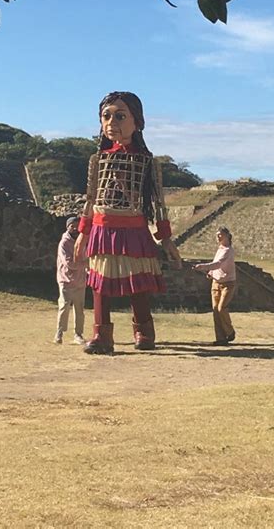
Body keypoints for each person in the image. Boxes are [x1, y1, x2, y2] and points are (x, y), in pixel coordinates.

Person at [74, 91, 181, 354]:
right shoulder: (97, 160)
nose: (112, 122)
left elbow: (158, 203)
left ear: (137, 121)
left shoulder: (147, 162)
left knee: (138, 283)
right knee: (100, 284)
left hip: (134, 228)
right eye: (106, 116)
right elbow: (90, 199)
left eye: (120, 116)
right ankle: (101, 334)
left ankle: (143, 331)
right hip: (102, 227)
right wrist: (82, 233)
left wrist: (165, 238)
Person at [194, 226, 237, 345]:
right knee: (215, 311)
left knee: (221, 308)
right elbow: (216, 264)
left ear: (227, 236)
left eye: (220, 235)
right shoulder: (220, 249)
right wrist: (211, 273)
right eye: (217, 235)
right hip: (216, 283)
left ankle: (230, 331)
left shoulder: (228, 250)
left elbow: (218, 263)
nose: (218, 237)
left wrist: (203, 267)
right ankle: (221, 338)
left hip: (228, 284)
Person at [54, 216, 88, 345]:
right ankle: (59, 333)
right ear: (67, 227)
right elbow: (70, 264)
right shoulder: (64, 243)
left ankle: (78, 334)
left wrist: (87, 267)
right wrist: (86, 263)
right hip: (65, 280)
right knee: (64, 306)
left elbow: (86, 256)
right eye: (71, 226)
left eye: (76, 226)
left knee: (79, 309)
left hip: (80, 280)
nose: (74, 228)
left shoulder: (82, 240)